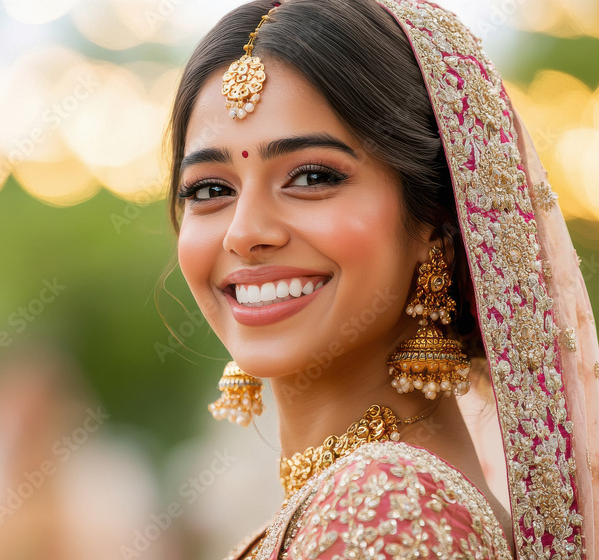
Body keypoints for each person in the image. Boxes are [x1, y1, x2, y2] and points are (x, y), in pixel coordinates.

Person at [165, 0, 599, 558]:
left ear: (435, 224)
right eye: (209, 190)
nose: (244, 233)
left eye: (313, 176)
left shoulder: (386, 504)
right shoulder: (380, 494)